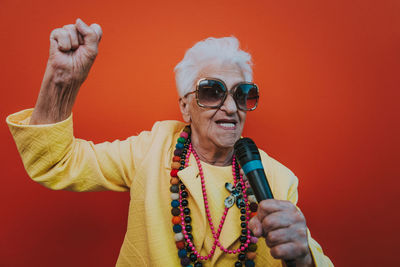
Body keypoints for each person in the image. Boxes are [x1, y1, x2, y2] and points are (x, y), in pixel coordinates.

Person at [6, 19, 333, 267]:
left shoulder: (278, 180)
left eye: (243, 94)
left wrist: (304, 256)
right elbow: (57, 162)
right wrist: (60, 82)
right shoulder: (152, 149)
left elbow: (302, 252)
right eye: (212, 91)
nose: (231, 108)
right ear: (185, 106)